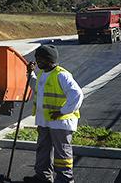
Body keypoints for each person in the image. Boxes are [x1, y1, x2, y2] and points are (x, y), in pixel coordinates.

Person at [24, 45, 83, 183]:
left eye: (41, 59)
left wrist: (62, 111)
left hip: (60, 122)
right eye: (37, 58)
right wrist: (30, 73)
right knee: (43, 150)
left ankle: (65, 179)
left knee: (62, 153)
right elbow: (35, 86)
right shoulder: (42, 74)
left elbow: (77, 94)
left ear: (50, 60)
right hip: (44, 121)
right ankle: (42, 177)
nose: (38, 61)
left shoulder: (61, 75)